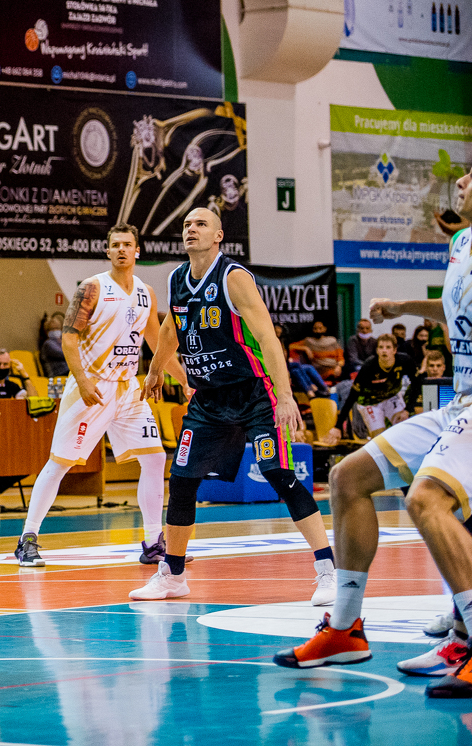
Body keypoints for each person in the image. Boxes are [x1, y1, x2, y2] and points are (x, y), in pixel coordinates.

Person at [275, 170, 472, 697]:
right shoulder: (461, 243)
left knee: (426, 500)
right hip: (459, 402)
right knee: (348, 477)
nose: (461, 180)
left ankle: (467, 633)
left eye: (471, 175)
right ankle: (345, 629)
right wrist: (405, 308)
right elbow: (455, 310)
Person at [134, 208, 336, 605]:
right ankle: (172, 575)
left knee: (278, 473)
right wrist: (155, 369)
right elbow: (171, 327)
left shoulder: (233, 278)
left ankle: (328, 570)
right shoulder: (176, 279)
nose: (191, 229)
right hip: (208, 399)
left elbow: (268, 337)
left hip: (253, 392)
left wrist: (286, 396)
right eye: (187, 224)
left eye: (200, 224)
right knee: (182, 480)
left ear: (218, 236)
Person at [15, 226, 182, 568]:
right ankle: (27, 538)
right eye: (115, 245)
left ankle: (153, 543)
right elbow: (69, 338)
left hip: (128, 388)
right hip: (92, 385)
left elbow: (157, 341)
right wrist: (81, 379)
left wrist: (186, 380)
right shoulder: (92, 288)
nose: (121, 249)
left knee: (155, 459)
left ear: (137, 250)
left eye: (127, 244)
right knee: (60, 463)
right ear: (107, 251)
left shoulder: (146, 292)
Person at [337, 335, 416, 438]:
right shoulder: (368, 366)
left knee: (402, 427)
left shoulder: (405, 361)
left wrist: (408, 409)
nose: (384, 351)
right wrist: (337, 426)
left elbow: (416, 384)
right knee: (380, 437)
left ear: (394, 350)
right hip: (370, 401)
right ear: (377, 350)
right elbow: (352, 396)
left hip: (391, 396)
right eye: (381, 347)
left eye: (388, 347)